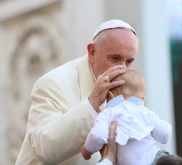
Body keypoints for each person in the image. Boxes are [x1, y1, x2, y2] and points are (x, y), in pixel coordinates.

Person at [15, 19, 138, 165]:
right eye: (115, 58)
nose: (122, 69)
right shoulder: (53, 83)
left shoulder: (128, 86)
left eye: (129, 62)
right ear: (92, 52)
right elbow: (44, 149)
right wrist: (92, 103)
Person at [81, 68, 172, 165]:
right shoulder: (145, 112)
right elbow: (166, 133)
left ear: (109, 96)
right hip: (156, 159)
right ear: (142, 99)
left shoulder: (107, 113)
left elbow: (97, 136)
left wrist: (87, 150)